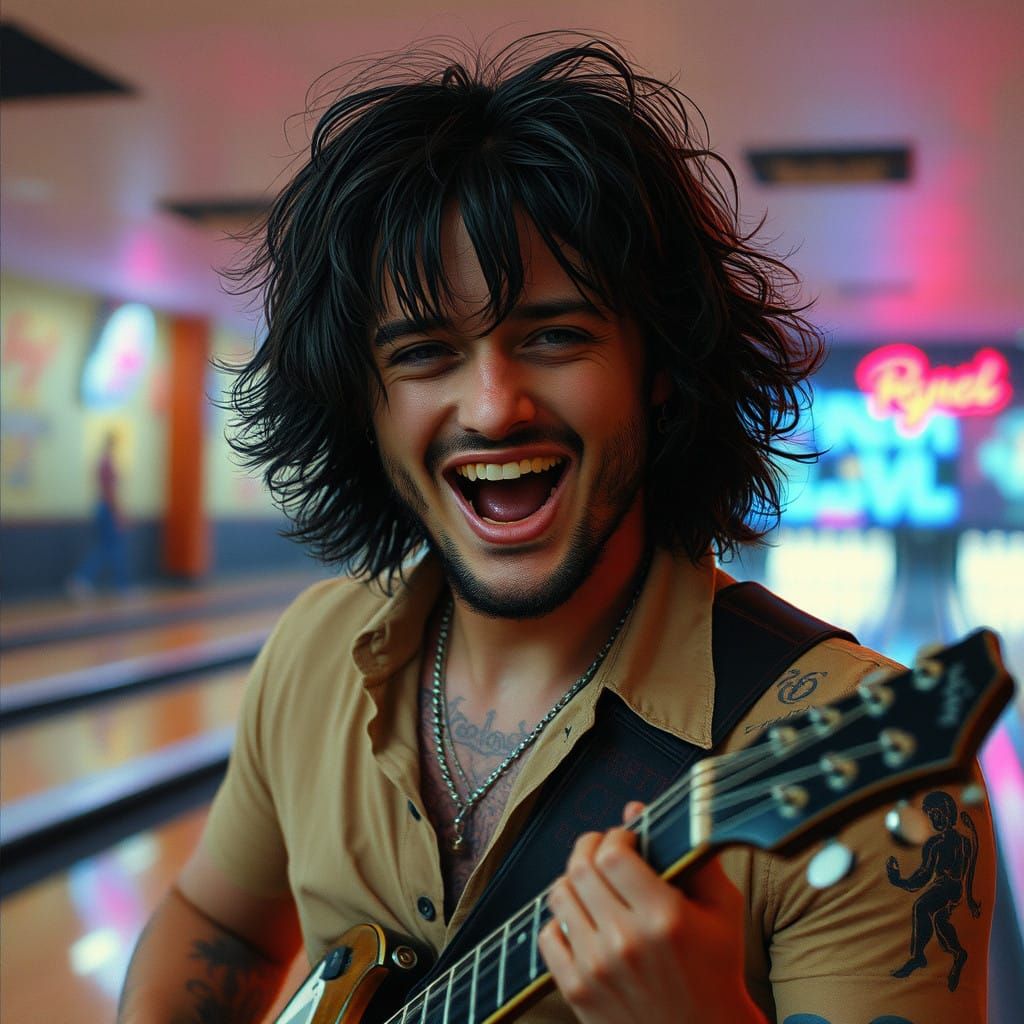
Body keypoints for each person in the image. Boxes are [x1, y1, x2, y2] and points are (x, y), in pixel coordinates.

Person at [118, 34, 995, 1023]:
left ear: (657, 371)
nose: (494, 406)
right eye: (425, 352)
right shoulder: (315, 649)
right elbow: (219, 921)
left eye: (553, 335)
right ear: (361, 405)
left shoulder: (876, 781)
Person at [68, 430, 130, 597]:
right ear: (112, 443)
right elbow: (110, 492)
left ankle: (117, 585)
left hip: (101, 508)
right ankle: (83, 579)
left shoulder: (101, 461)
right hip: (107, 509)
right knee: (111, 548)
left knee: (109, 548)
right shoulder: (107, 463)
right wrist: (118, 514)